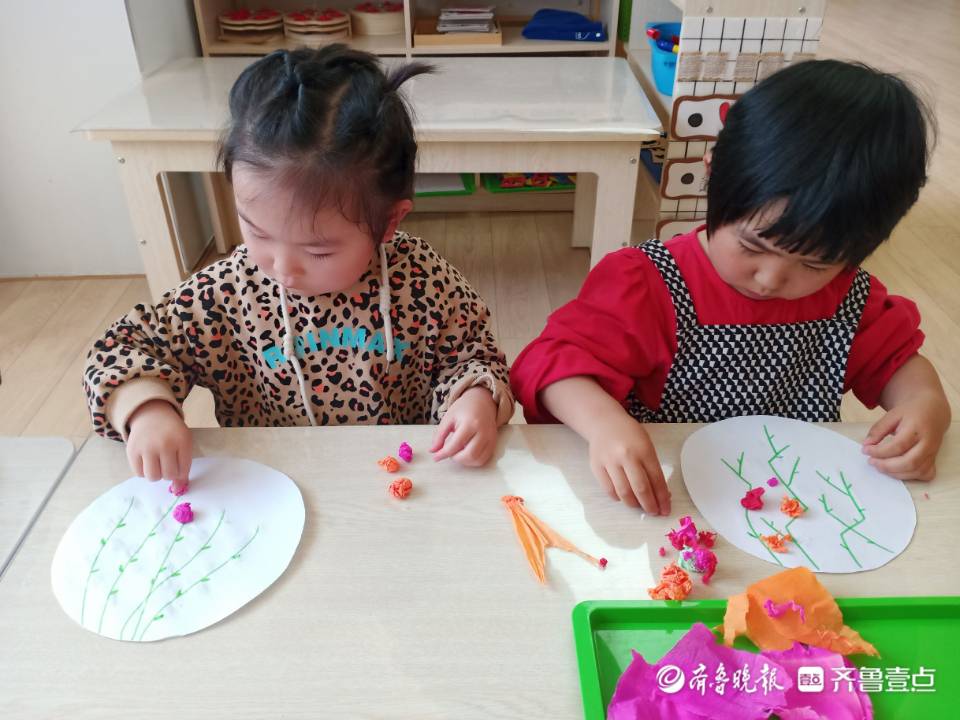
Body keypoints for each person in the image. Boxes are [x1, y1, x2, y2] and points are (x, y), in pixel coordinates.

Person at [511, 60, 950, 514]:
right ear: (713, 172)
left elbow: (899, 362)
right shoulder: (648, 283)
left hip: (794, 503)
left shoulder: (848, 297)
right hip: (665, 495)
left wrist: (925, 403)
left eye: (813, 263)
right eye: (752, 245)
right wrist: (604, 424)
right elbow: (549, 367)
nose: (771, 278)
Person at [84, 46, 514, 489]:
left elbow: (474, 356)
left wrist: (475, 401)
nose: (283, 268)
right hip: (267, 491)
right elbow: (122, 350)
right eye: (257, 232)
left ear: (389, 222)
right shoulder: (226, 293)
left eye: (318, 251)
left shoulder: (422, 283)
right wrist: (146, 410)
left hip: (402, 480)